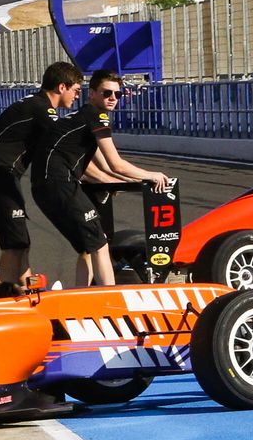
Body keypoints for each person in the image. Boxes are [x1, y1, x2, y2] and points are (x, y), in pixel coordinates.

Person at [30, 70, 169, 288]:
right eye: (106, 93)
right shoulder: (96, 116)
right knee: (100, 243)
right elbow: (116, 163)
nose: (112, 98)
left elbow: (105, 168)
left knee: (87, 248)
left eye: (118, 94)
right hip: (60, 185)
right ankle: (108, 297)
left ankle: (80, 298)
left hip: (44, 188)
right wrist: (152, 176)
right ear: (92, 94)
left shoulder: (80, 119)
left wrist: (121, 183)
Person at [0, 61, 84, 292]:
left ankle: (25, 291)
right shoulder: (41, 108)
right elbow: (65, 146)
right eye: (76, 90)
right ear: (62, 87)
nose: (77, 96)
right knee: (14, 243)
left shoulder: (35, 104)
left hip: (1, 176)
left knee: (21, 242)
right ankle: (8, 296)